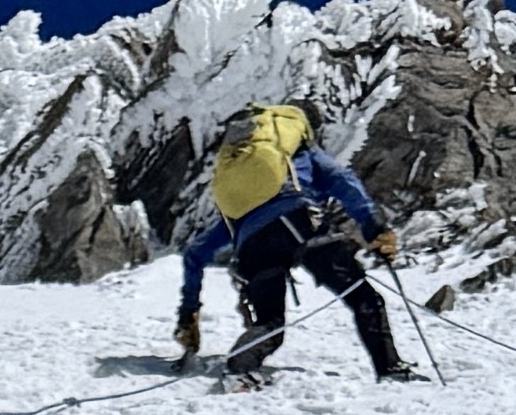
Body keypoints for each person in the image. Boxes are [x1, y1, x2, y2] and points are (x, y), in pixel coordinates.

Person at [173, 100, 411, 381]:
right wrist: (376, 229)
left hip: (252, 243)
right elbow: (344, 181)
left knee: (270, 322)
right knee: (363, 296)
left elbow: (196, 253)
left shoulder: (243, 198)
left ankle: (241, 368)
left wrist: (188, 312)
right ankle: (390, 369)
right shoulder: (302, 150)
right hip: (300, 221)